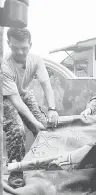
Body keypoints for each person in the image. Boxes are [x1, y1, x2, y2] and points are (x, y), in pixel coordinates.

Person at [2, 28, 59, 188]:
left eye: (24, 48)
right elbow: (15, 100)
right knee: (17, 129)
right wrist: (33, 121)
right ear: (8, 44)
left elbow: (47, 86)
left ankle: (49, 167)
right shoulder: (4, 64)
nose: (20, 52)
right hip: (5, 97)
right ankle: (15, 173)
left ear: (30, 45)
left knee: (45, 127)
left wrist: (52, 109)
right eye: (15, 47)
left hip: (24, 93)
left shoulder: (37, 60)